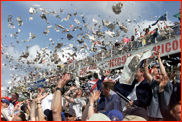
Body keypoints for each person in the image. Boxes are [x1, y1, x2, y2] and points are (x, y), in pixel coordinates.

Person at [144, 50, 173, 121]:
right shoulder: (155, 84)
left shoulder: (167, 86)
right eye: (158, 74)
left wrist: (159, 58)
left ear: (165, 78)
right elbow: (147, 73)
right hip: (151, 114)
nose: (157, 75)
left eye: (159, 75)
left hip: (161, 116)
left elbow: (164, 73)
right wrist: (145, 59)